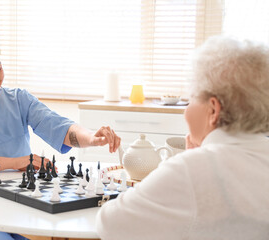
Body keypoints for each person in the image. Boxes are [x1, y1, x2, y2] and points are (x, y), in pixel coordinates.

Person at [0, 35, 121, 240]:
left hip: (23, 205)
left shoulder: (19, 99)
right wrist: (15, 162)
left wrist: (91, 137)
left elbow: (59, 127)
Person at [96, 36, 269, 240]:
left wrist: (190, 161)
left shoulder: (192, 169)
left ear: (213, 110)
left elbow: (110, 223)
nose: (186, 110)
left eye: (192, 98)